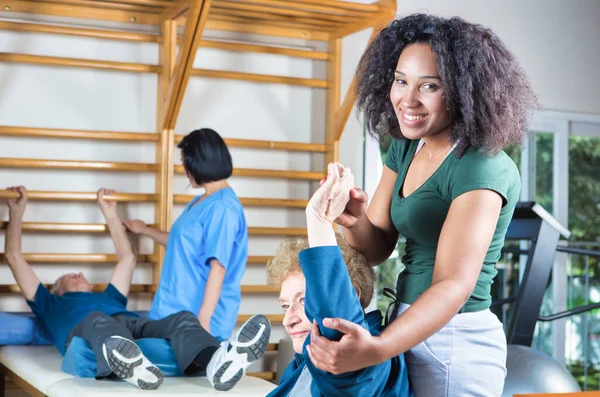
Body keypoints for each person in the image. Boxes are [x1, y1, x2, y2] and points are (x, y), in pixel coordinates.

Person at [305, 14, 538, 397]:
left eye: (429, 86)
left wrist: (378, 348)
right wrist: (350, 219)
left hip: (454, 340)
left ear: (465, 91)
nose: (407, 100)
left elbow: (453, 285)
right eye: (401, 81)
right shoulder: (407, 145)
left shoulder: (482, 166)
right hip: (405, 325)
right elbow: (377, 245)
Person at [4, 186, 270, 391]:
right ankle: (128, 362)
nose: (81, 273)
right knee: (97, 319)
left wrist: (110, 213)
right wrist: (16, 213)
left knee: (183, 319)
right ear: (58, 290)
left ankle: (216, 362)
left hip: (129, 323)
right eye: (72, 276)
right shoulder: (49, 304)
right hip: (89, 330)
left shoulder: (108, 296)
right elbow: (14, 256)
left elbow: (127, 259)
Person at [266, 164, 412, 397]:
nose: (288, 320)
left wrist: (320, 219)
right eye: (285, 305)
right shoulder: (301, 365)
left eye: (304, 301)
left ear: (350, 294)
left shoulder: (366, 361)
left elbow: (337, 327)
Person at [123, 128, 248, 341]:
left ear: (198, 162)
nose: (184, 169)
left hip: (197, 320)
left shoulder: (223, 208)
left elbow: (218, 267)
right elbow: (181, 244)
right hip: (172, 309)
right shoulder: (202, 200)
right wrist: (145, 230)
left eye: (184, 162)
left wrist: (203, 321)